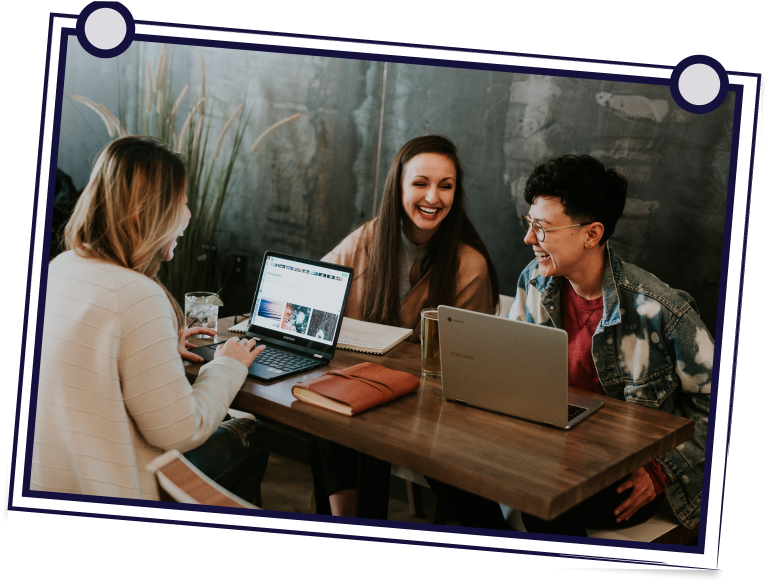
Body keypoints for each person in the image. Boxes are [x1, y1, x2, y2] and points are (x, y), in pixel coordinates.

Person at [427, 154, 711, 536]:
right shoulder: (535, 280)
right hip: (547, 447)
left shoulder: (661, 309)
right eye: (529, 223)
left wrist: (663, 469)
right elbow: (512, 371)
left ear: (591, 234)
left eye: (542, 228)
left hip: (623, 467)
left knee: (547, 506)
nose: (529, 239)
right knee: (437, 459)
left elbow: (718, 405)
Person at [31, 136, 270, 504]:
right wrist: (225, 366)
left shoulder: (60, 267)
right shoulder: (137, 294)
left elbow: (89, 367)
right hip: (112, 490)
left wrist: (156, 347)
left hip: (50, 482)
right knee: (252, 437)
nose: (188, 215)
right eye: (183, 203)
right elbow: (180, 431)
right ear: (147, 212)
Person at [311, 135, 500, 517]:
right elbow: (317, 287)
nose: (433, 197)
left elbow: (466, 366)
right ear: (398, 186)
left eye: (445, 186)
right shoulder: (371, 235)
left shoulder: (469, 265)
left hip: (427, 411)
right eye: (420, 183)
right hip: (363, 391)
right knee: (325, 411)